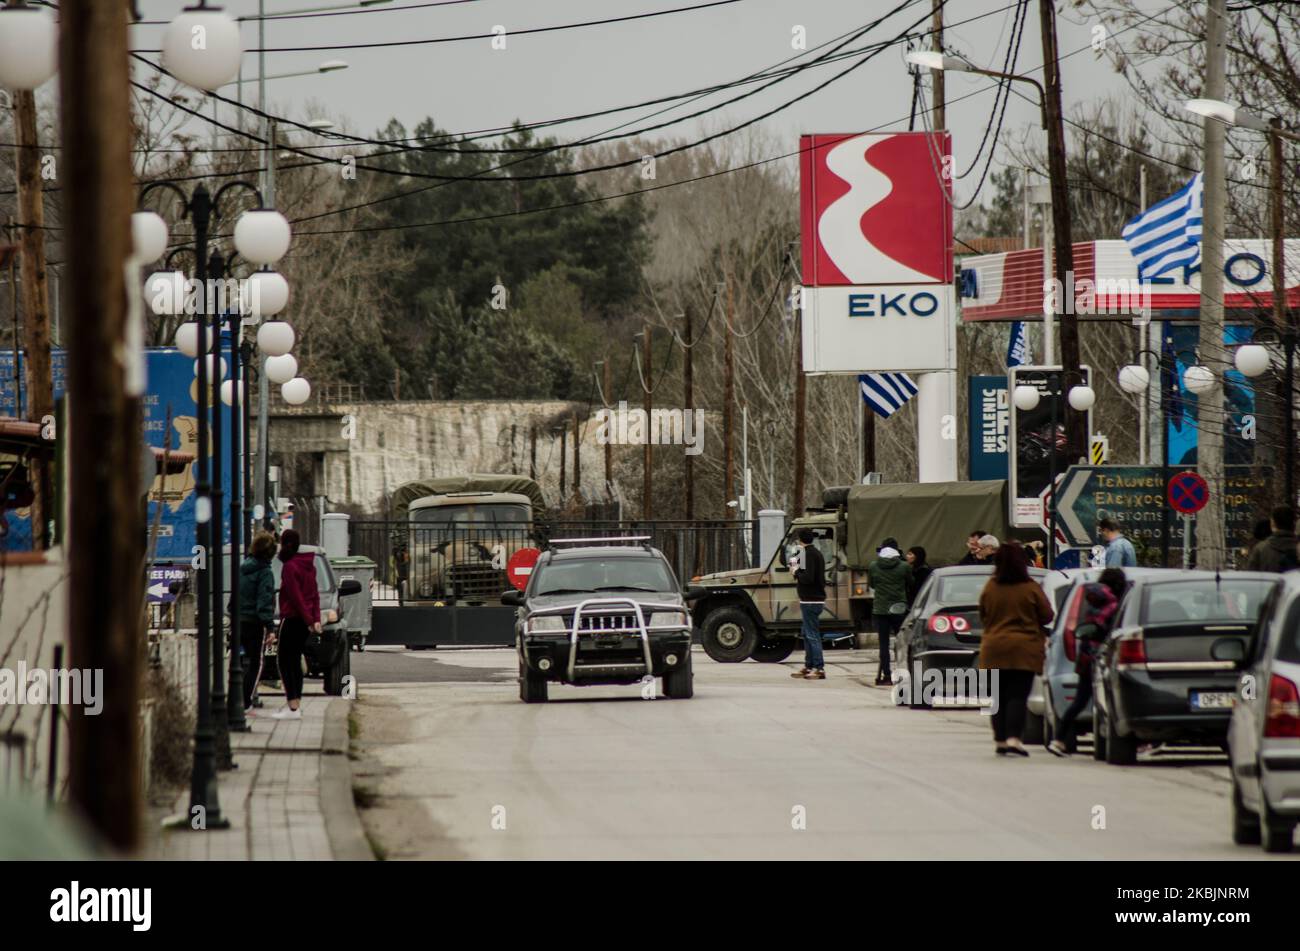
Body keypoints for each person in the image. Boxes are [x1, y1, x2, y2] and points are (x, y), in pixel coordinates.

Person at [977, 541, 1054, 756]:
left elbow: (983, 614)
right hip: (1024, 648)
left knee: (998, 696)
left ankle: (1000, 740)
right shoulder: (1030, 587)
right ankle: (1013, 739)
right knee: (1018, 695)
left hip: (994, 646)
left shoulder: (990, 587)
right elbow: (1047, 615)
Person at [1048, 567, 1126, 757]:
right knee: (1113, 699)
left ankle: (1059, 740)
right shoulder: (1113, 604)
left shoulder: (1095, 600)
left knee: (1080, 700)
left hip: (1086, 656)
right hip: (1103, 658)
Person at [274, 529, 320, 719]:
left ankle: (293, 705)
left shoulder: (290, 567)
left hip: (292, 618)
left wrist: (309, 619)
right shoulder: (309, 566)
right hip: (304, 620)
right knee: (294, 660)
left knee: (285, 660)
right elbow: (314, 595)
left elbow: (295, 597)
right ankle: (295, 704)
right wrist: (314, 619)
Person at [236, 531, 278, 712]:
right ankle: (245, 701)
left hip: (239, 620)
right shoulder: (265, 572)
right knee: (255, 663)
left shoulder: (243, 567)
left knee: (236, 661)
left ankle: (234, 697)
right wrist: (270, 627)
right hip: (254, 623)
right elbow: (264, 601)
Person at [868, 542, 912, 685]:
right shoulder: (904, 566)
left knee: (883, 644)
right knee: (902, 643)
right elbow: (910, 582)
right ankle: (903, 673)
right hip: (898, 608)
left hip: (880, 609)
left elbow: (872, 584)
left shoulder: (874, 566)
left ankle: (886, 674)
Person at [790, 528, 827, 681]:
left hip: (811, 599)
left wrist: (796, 572)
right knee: (807, 633)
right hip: (810, 598)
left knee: (812, 634)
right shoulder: (811, 552)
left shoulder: (809, 554)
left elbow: (807, 577)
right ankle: (809, 665)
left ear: (800, 539)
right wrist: (796, 564)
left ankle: (819, 668)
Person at [1244, 505, 1300, 572]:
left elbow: (1251, 577)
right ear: (1293, 523)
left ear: (1272, 523)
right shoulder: (1297, 547)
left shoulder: (1261, 549)